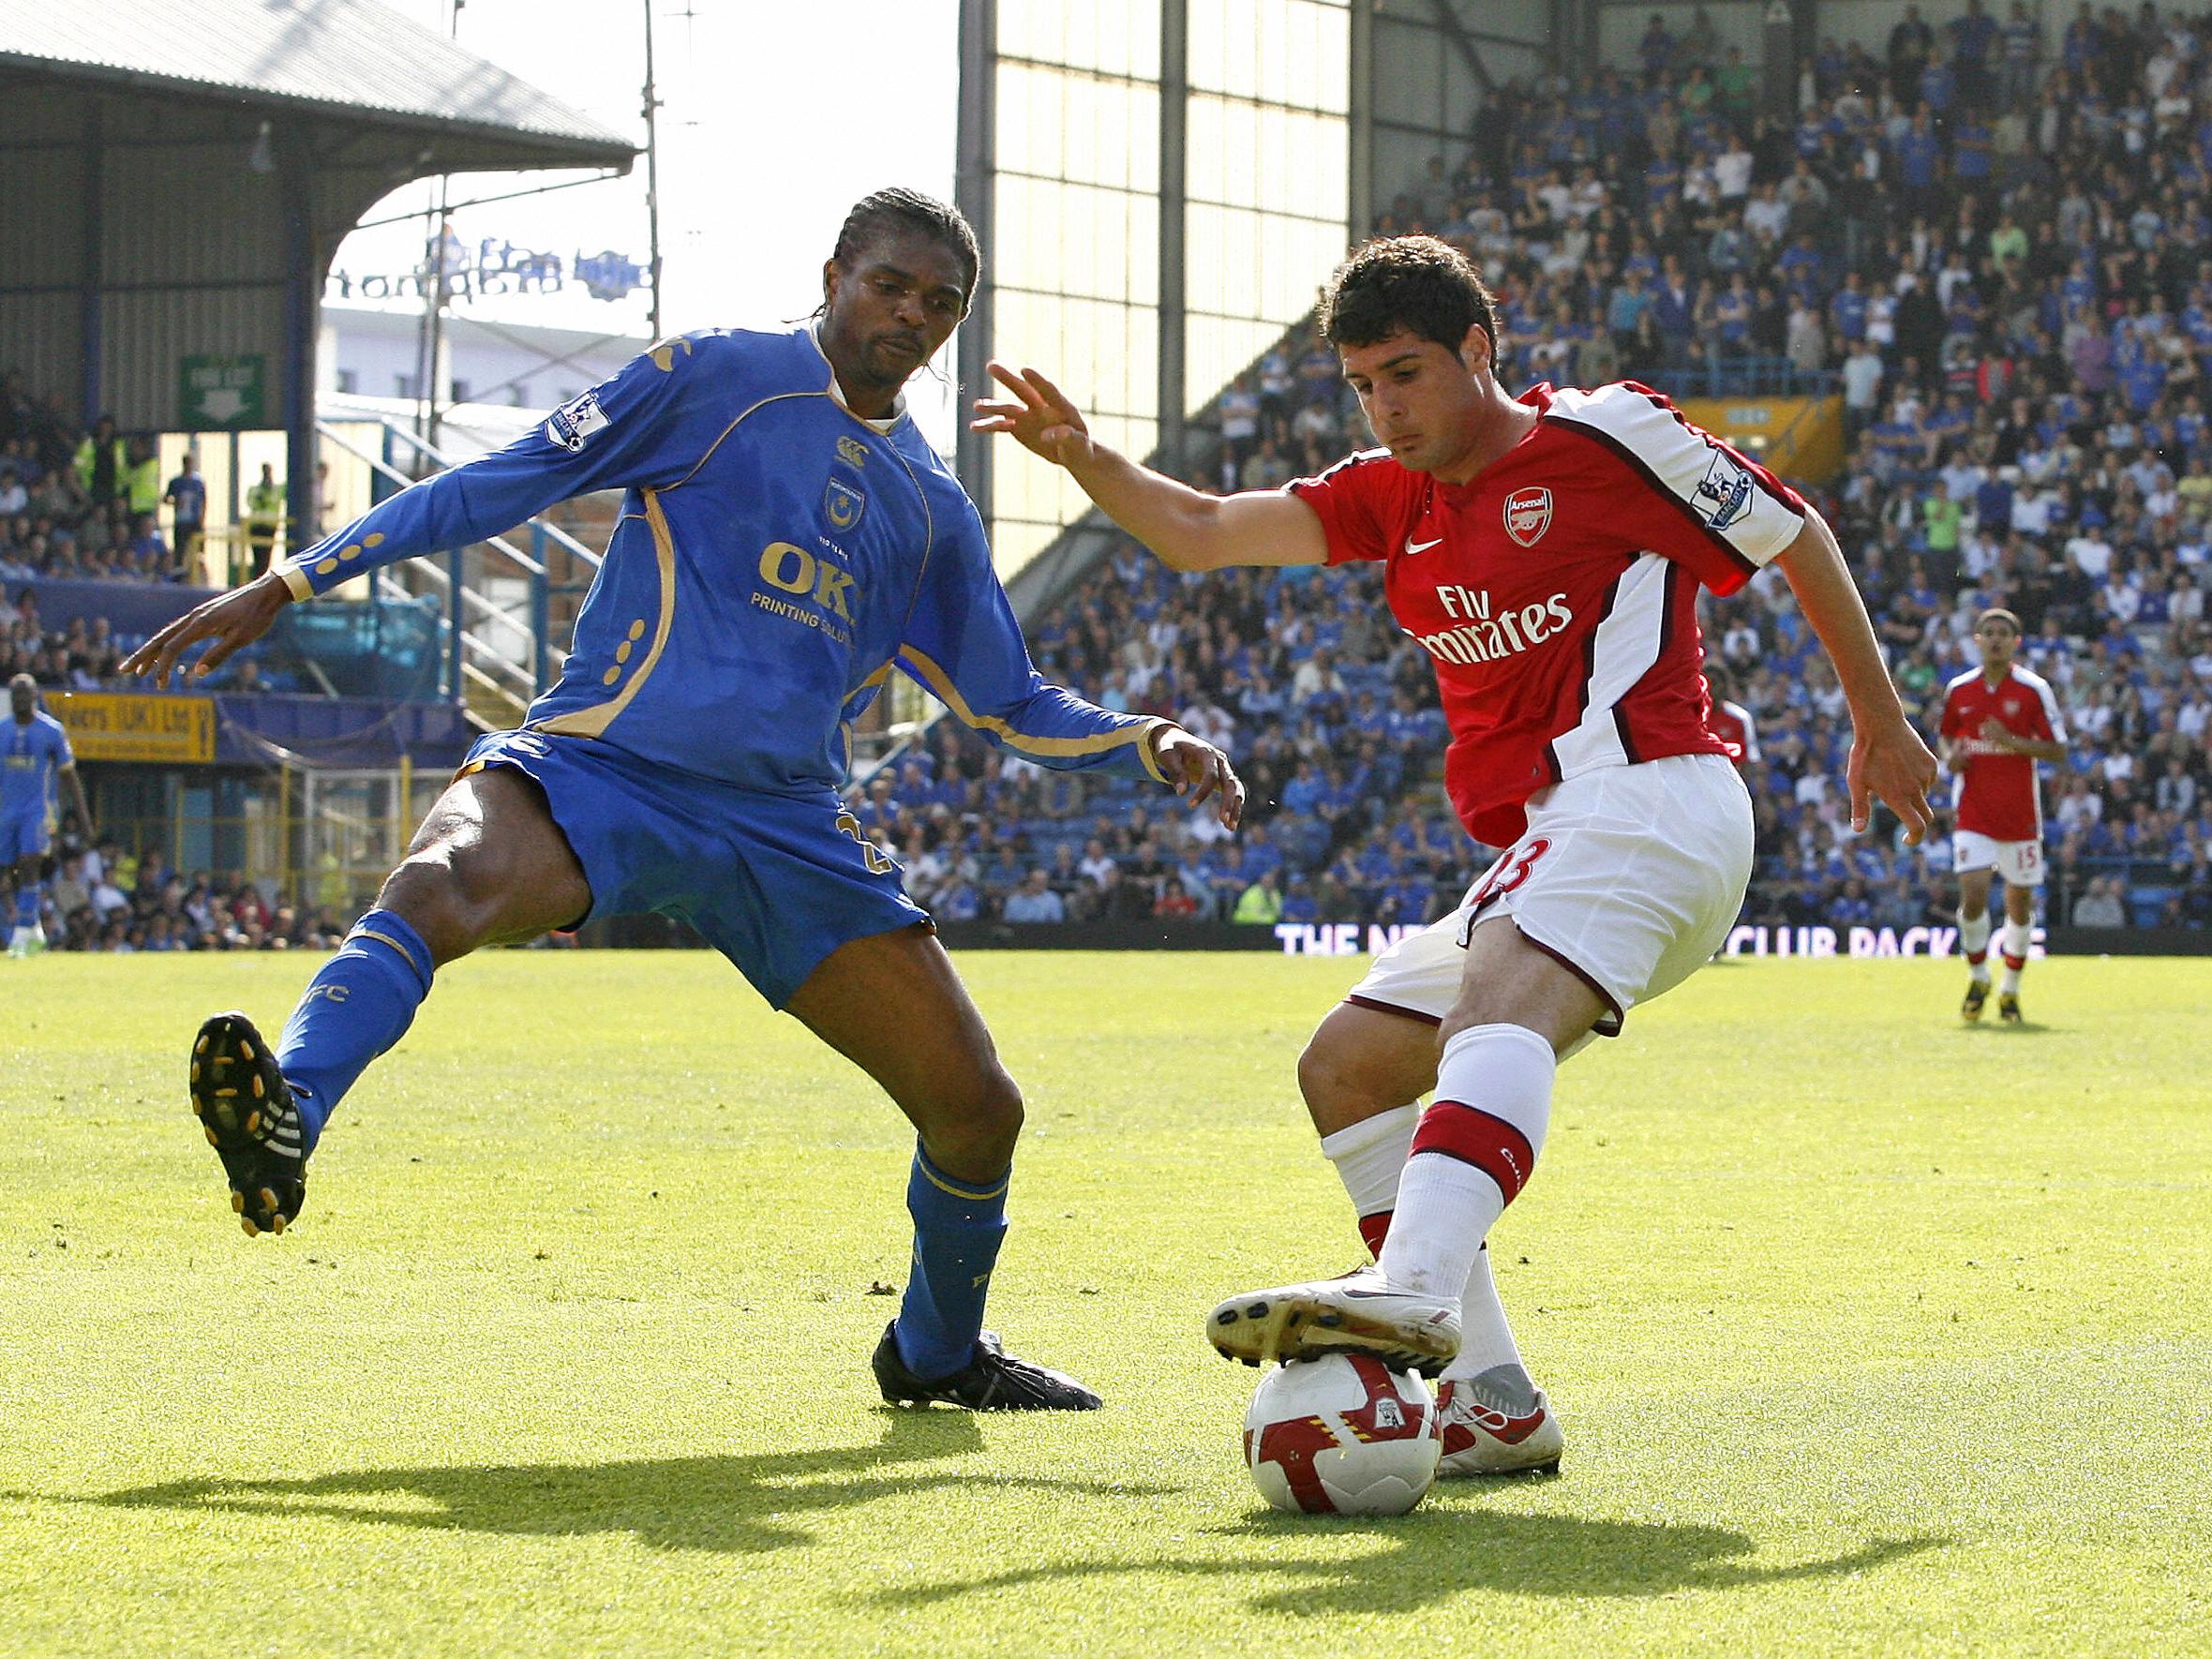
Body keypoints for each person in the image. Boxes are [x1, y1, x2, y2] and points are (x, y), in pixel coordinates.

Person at [123, 187, 1244, 1412]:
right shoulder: (718, 376)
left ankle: (933, 1353)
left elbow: (1009, 701)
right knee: (439, 878)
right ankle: (289, 1111)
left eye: (941, 305)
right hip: (603, 767)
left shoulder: (934, 508)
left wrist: (1150, 738)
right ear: (833, 272)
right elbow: (505, 481)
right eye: (892, 286)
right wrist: (288, 580)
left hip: (785, 828)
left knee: (979, 1108)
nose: (912, 316)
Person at [977, 233, 1935, 1474]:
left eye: (1408, 372)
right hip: (1559, 838)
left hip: (1655, 795)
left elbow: (1791, 532)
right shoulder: (1393, 492)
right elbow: (1205, 529)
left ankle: (1411, 1287)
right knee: (1351, 1064)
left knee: (1498, 993)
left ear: (1479, 350)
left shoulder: (1602, 436)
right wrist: (1087, 458)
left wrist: (1881, 716)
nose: (1387, 405)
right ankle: (1491, 1400)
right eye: (1365, 381)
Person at [1936, 607, 2067, 1022]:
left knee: (2019, 902)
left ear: (2016, 643)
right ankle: (1978, 975)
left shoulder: (2032, 689)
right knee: (1973, 895)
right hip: (1973, 811)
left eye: (2003, 634)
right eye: (1988, 632)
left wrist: (2009, 740)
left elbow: (2058, 749)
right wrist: (1951, 758)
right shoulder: (1959, 690)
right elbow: (1946, 738)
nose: (1995, 639)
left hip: (2020, 816)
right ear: (1976, 640)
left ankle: (2010, 987)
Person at [4, 673, 94, 957]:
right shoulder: (2, 730)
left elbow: (70, 777)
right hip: (5, 811)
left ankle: (21, 935)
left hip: (37, 811)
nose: (20, 700)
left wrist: (85, 822)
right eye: (15, 695)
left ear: (34, 696)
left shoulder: (52, 731)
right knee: (8, 873)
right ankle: (34, 931)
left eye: (25, 694)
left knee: (30, 863)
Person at [164, 452, 207, 578]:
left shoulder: (198, 482)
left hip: (195, 521)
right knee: (180, 549)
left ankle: (198, 574)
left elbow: (204, 500)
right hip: (181, 520)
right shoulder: (176, 481)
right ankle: (179, 575)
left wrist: (202, 517)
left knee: (198, 550)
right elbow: (166, 498)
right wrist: (176, 502)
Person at [243, 462, 283, 581]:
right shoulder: (255, 489)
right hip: (256, 526)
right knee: (257, 557)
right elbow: (251, 503)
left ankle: (262, 579)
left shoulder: (276, 489)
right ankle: (257, 579)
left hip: (269, 527)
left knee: (266, 557)